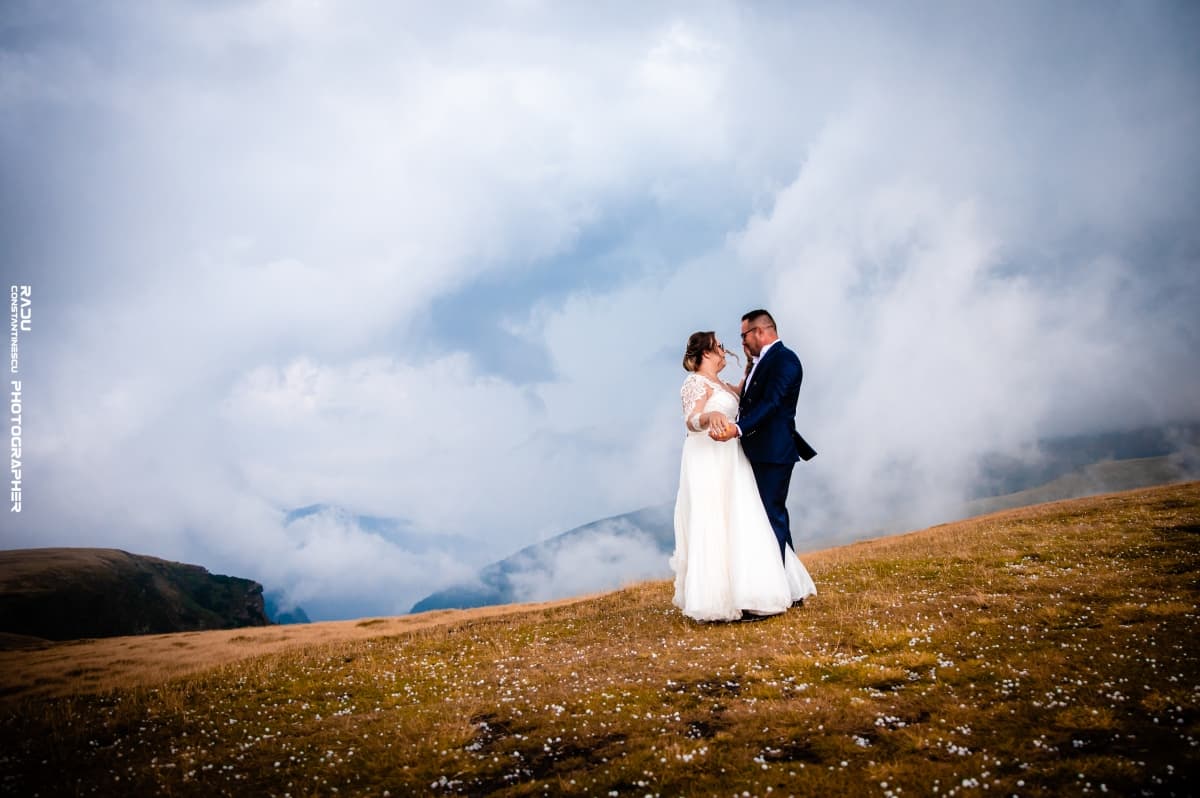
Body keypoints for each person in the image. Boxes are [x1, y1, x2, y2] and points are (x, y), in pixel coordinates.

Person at [671, 331, 816, 622]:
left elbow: (742, 401)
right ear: (707, 352)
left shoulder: (721, 384)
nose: (725, 350)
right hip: (708, 459)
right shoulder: (694, 383)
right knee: (715, 520)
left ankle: (756, 588)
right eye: (720, 346)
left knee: (743, 517)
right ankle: (720, 596)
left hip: (732, 457)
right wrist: (709, 418)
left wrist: (750, 371)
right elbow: (691, 419)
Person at [709, 310, 817, 565]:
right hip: (758, 451)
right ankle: (786, 586)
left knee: (771, 517)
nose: (742, 342)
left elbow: (771, 403)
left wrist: (737, 429)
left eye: (743, 335)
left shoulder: (785, 360)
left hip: (773, 452)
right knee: (764, 517)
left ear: (759, 331)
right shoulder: (761, 362)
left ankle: (783, 587)